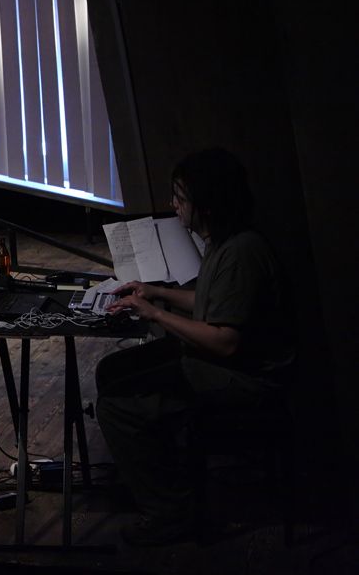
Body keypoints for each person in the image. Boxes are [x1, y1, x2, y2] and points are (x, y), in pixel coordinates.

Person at [96, 148, 294, 546]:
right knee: (111, 372)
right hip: (222, 365)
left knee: (117, 405)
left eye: (181, 197)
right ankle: (153, 480)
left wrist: (155, 313)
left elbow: (225, 341)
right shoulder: (223, 242)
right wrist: (154, 292)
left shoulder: (240, 253)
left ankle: (169, 512)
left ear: (207, 205)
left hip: (246, 378)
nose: (174, 205)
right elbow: (210, 300)